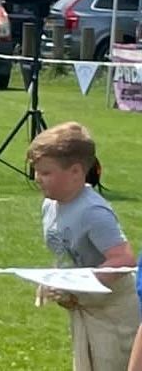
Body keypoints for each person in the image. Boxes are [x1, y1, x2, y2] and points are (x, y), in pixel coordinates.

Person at [28, 122, 137, 371]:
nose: (37, 179)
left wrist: (75, 284)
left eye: (46, 173)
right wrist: (56, 281)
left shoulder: (92, 212)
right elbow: (65, 252)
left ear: (76, 172)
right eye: (36, 171)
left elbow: (123, 259)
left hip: (115, 313)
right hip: (86, 307)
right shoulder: (50, 205)